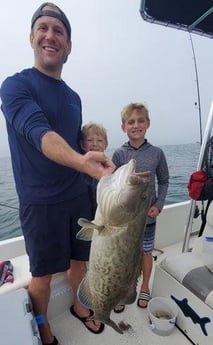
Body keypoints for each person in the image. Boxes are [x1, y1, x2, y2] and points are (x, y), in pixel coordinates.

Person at [0, 3, 115, 345]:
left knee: (80, 261)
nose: (50, 36)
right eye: (43, 28)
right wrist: (83, 162)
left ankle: (80, 306)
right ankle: (44, 325)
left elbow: (75, 143)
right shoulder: (15, 86)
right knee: (41, 276)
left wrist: (96, 169)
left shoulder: (74, 98)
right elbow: (39, 133)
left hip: (77, 196)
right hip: (41, 204)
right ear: (32, 37)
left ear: (68, 45)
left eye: (59, 31)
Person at [112, 102, 169, 310]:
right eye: (131, 122)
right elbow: (114, 187)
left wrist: (159, 205)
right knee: (125, 256)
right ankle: (124, 289)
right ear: (123, 127)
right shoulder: (119, 154)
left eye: (140, 121)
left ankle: (144, 286)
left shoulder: (157, 153)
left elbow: (164, 181)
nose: (136, 125)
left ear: (148, 124)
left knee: (146, 253)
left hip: (148, 219)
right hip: (126, 223)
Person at [80, 121, 108, 217]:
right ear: (82, 144)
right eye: (90, 140)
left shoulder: (110, 170)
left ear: (106, 145)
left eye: (100, 140)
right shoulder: (77, 170)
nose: (95, 144)